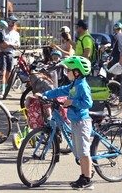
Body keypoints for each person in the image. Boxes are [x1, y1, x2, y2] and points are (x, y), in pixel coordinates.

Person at [36, 56, 94, 190]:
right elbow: (60, 90)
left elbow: (88, 103)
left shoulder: (82, 86)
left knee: (84, 152)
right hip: (75, 121)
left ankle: (87, 179)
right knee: (78, 151)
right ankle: (85, 174)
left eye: (69, 70)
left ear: (77, 72)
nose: (67, 72)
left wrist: (72, 102)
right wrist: (45, 94)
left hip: (82, 122)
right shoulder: (74, 84)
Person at [0, 15, 21, 96]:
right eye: (10, 24)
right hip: (2, 53)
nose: (11, 26)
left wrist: (10, 44)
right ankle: (2, 89)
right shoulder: (3, 32)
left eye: (13, 24)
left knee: (9, 72)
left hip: (11, 53)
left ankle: (6, 88)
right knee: (2, 71)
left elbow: (18, 44)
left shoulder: (16, 34)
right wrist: (2, 45)